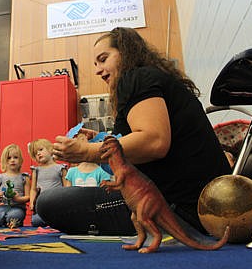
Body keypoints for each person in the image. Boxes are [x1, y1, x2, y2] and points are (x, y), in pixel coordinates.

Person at [37, 27, 232, 236]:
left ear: (126, 52)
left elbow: (154, 141)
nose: (97, 70)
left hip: (176, 208)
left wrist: (88, 152)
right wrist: (103, 140)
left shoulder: (135, 78)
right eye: (95, 63)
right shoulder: (154, 79)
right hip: (202, 205)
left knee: (49, 203)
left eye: (103, 59)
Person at [0, 144, 30, 229]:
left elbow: (28, 197)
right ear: (4, 161)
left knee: (13, 217)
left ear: (20, 160)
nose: (12, 160)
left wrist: (18, 199)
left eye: (15, 157)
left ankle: (8, 222)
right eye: (9, 158)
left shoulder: (24, 177)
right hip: (2, 206)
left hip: (18, 207)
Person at [28, 138, 67, 227]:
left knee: (61, 218)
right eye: (35, 153)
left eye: (41, 150)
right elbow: (33, 189)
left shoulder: (60, 168)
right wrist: (31, 202)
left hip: (57, 202)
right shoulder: (36, 170)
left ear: (50, 150)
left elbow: (66, 187)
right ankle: (49, 220)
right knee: (35, 221)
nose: (38, 153)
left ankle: (54, 219)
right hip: (42, 204)